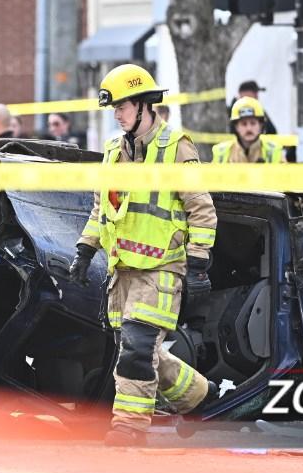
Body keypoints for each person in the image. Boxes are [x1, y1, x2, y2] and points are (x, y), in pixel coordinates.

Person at [68, 63, 218, 447]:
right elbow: (101, 209)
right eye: (114, 108)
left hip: (162, 269)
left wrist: (199, 261)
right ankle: (202, 397)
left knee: (136, 349)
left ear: (144, 104)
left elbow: (201, 208)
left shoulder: (176, 147)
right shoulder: (113, 153)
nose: (117, 114)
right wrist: (86, 250)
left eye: (122, 106)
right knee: (141, 351)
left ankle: (129, 428)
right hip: (124, 270)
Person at [213, 97, 285, 163]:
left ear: (261, 126)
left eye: (253, 123)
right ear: (236, 127)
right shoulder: (221, 153)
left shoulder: (274, 152)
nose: (249, 128)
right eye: (244, 124)